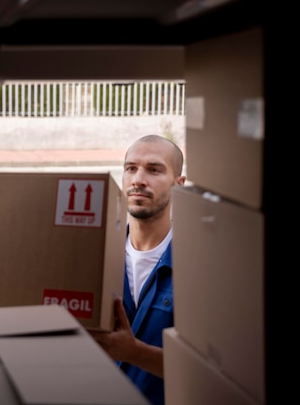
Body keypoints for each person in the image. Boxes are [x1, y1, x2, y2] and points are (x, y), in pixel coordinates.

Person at [90, 135, 186, 405]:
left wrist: (134, 353)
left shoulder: (197, 266)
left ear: (179, 185)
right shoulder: (97, 258)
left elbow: (211, 371)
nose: (138, 179)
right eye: (131, 168)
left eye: (154, 170)